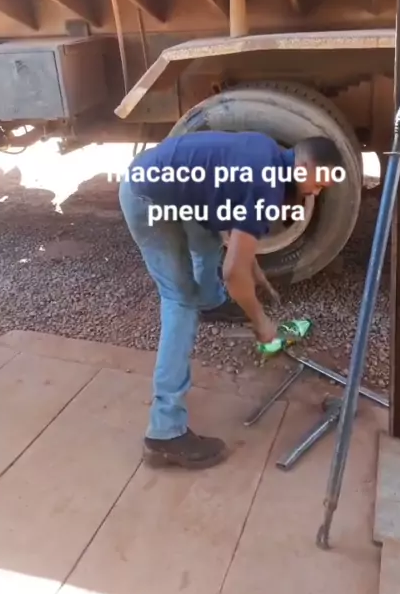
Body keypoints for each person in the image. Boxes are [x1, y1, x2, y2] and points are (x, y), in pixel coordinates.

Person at [119, 130, 343, 470]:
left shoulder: (269, 155)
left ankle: (211, 303)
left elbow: (232, 217)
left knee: (209, 238)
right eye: (319, 183)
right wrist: (261, 322)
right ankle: (164, 433)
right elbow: (232, 272)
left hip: (166, 183)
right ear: (304, 167)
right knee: (180, 300)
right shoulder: (266, 186)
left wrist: (252, 266)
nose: (317, 191)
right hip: (146, 196)